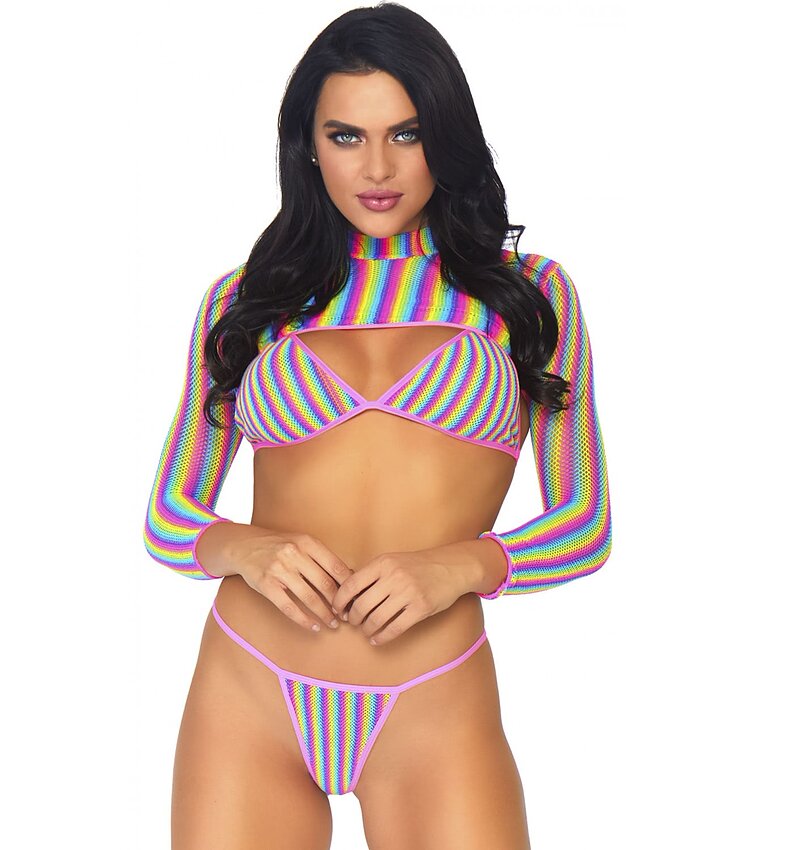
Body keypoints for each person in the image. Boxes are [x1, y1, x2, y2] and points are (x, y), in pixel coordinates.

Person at [142, 3, 612, 847]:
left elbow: (585, 524)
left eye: (407, 133)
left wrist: (461, 566)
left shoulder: (530, 294)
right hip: (248, 686)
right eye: (346, 136)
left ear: (447, 138)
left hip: (434, 700)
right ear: (308, 146)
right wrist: (245, 548)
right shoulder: (246, 300)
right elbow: (168, 515)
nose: (378, 167)